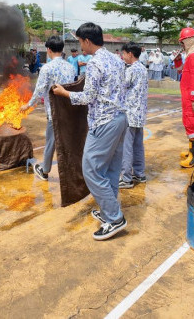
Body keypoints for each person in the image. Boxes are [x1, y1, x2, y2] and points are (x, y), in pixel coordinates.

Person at [52, 23, 128, 241]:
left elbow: (87, 97)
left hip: (104, 122)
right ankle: (108, 212)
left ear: (86, 41)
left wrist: (64, 93)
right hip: (120, 119)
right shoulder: (116, 59)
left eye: (80, 41)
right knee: (111, 170)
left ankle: (115, 218)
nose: (79, 46)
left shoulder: (94, 64)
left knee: (92, 170)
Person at [21, 36, 76, 181]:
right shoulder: (70, 66)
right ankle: (71, 169)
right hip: (69, 111)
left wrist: (28, 105)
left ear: (49, 50)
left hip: (54, 112)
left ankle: (44, 171)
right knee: (68, 141)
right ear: (62, 49)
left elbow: (39, 90)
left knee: (51, 141)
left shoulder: (47, 68)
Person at [119, 42, 148, 189]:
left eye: (123, 54)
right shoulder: (143, 68)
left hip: (130, 114)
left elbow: (121, 87)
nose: (123, 57)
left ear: (130, 53)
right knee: (138, 145)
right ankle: (139, 173)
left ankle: (126, 178)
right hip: (140, 114)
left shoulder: (131, 70)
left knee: (127, 147)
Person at [177, 27, 194, 168]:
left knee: (190, 124)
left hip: (191, 96)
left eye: (182, 42)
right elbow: (182, 72)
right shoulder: (192, 55)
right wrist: (177, 61)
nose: (182, 45)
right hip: (190, 95)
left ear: (189, 40)